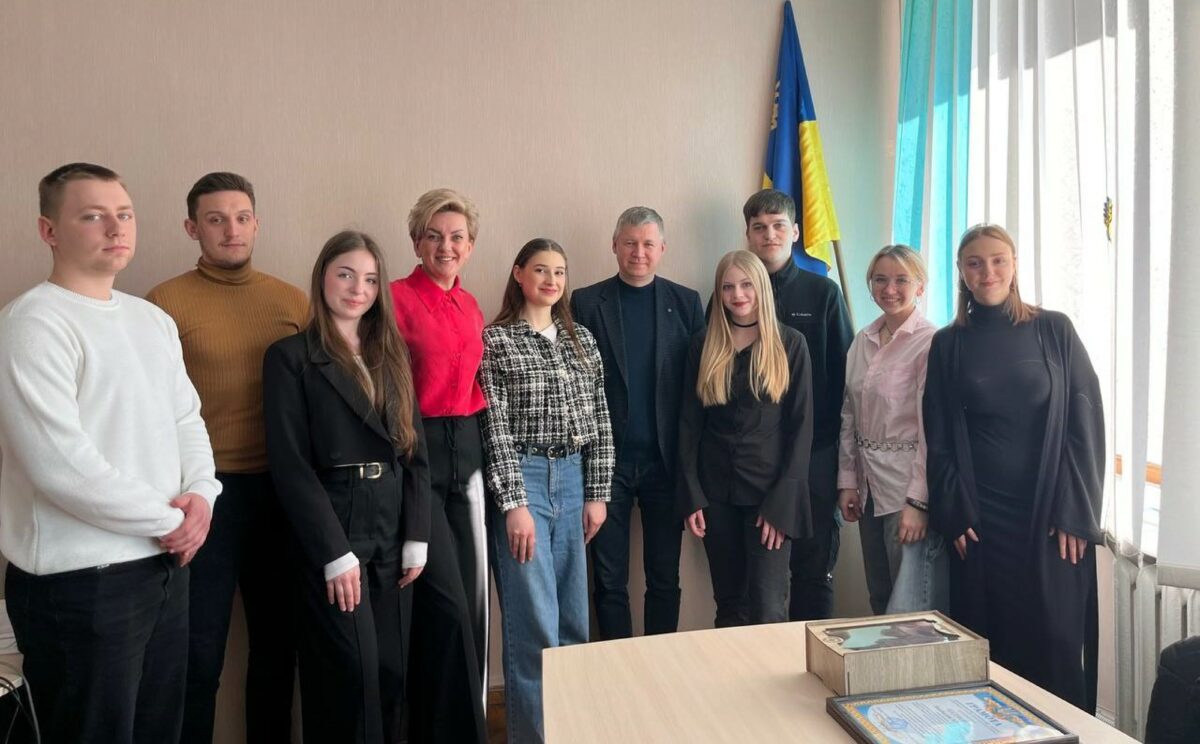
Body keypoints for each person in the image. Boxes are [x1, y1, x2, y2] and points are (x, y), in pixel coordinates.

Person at [0, 163, 221, 743]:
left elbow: (186, 419)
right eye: (93, 216)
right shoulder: (32, 323)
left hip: (164, 568)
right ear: (49, 231)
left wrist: (202, 495)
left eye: (124, 214)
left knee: (159, 730)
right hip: (82, 586)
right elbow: (60, 465)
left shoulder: (153, 320)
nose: (115, 227)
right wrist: (172, 521)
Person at [147, 171, 305, 744]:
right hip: (203, 497)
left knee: (277, 649)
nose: (230, 230)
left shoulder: (292, 300)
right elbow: (149, 411)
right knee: (198, 654)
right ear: (193, 228)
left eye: (241, 218)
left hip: (281, 494)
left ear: (256, 224)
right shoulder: (163, 304)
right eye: (215, 220)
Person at [924, 223, 1104, 711]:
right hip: (981, 522)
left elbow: (1085, 426)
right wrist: (953, 511)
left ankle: (1065, 736)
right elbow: (938, 436)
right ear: (961, 272)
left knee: (1056, 641)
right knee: (991, 648)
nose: (988, 272)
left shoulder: (1054, 330)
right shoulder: (948, 344)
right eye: (975, 263)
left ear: (1015, 264)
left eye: (998, 260)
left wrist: (1076, 512)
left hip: (1052, 518)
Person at [262, 230, 430, 743]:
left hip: (391, 517)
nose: (359, 289)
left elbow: (415, 452)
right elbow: (291, 465)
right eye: (346, 275)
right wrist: (333, 553)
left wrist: (417, 535)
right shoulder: (290, 357)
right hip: (335, 520)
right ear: (323, 278)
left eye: (371, 280)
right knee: (348, 675)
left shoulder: (391, 353)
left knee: (392, 671)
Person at [480, 238, 614, 743]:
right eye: (540, 270)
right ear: (519, 274)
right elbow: (494, 428)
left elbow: (601, 418)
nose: (551, 280)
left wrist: (597, 493)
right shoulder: (496, 341)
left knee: (574, 623)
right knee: (535, 624)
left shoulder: (582, 341)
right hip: (526, 479)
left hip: (575, 478)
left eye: (559, 271)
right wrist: (514, 503)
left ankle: (571, 732)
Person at [571, 206, 705, 639]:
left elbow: (698, 390)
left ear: (662, 248)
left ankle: (659, 664)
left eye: (648, 244)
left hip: (666, 465)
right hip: (606, 465)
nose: (638, 252)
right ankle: (615, 665)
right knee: (609, 580)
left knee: (664, 578)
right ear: (615, 245)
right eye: (630, 242)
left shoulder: (686, 303)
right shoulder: (586, 303)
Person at [389, 188, 488, 742]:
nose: (445, 247)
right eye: (434, 236)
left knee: (472, 606)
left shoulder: (470, 305)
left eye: (456, 238)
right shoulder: (394, 298)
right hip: (417, 455)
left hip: (467, 458)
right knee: (439, 605)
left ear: (470, 247)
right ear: (416, 242)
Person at [678, 249, 813, 626]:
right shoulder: (703, 344)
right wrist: (691, 495)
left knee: (768, 608)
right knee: (729, 605)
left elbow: (801, 427)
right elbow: (689, 425)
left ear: (762, 288)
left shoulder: (790, 344)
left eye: (746, 285)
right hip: (715, 496)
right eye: (728, 287)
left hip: (770, 497)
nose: (737, 294)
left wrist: (783, 504)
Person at [741, 189, 853, 621]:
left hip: (815, 456)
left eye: (778, 226)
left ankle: (811, 659)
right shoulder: (735, 292)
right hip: (754, 460)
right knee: (758, 581)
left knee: (812, 569)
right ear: (748, 235)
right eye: (759, 227)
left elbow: (844, 376)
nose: (769, 235)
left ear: (795, 232)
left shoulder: (823, 293)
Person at [837, 245, 946, 615]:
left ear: (921, 286)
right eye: (880, 280)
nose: (890, 289)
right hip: (868, 490)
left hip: (906, 491)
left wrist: (918, 503)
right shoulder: (862, 340)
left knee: (910, 606)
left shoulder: (931, 342)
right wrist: (847, 481)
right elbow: (849, 415)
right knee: (880, 598)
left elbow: (933, 430)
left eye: (902, 280)